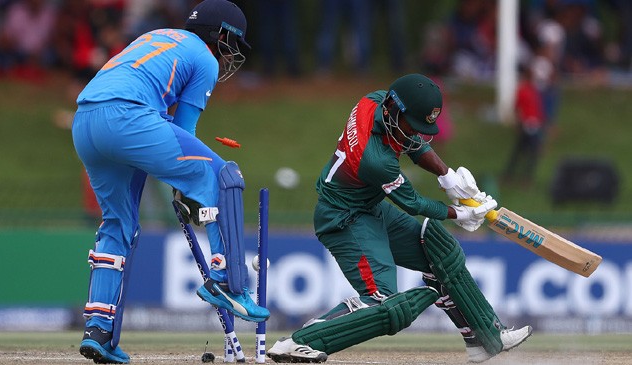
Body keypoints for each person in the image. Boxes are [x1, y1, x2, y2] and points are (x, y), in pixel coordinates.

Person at [267, 74, 532, 363]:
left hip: (371, 205)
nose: (413, 133)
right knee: (384, 303)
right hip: (344, 219)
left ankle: (485, 337)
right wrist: (461, 213)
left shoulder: (378, 100)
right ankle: (296, 342)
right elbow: (414, 203)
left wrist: (447, 176)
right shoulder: (375, 159)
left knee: (441, 255)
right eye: (412, 125)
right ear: (393, 110)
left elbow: (414, 143)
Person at [71, 1, 269, 363]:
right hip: (129, 118)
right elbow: (183, 131)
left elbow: (170, 138)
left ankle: (99, 330)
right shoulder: (206, 59)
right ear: (220, 35)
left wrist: (184, 185)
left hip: (86, 121)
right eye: (231, 44)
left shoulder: (157, 35)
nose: (230, 57)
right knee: (223, 175)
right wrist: (190, 189)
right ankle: (227, 280)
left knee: (118, 224)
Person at [502, 65, 546, 187]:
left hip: (534, 125)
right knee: (524, 153)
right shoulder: (524, 90)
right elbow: (518, 107)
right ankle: (517, 177)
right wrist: (518, 122)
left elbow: (537, 109)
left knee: (525, 153)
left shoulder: (533, 90)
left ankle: (517, 176)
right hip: (527, 124)